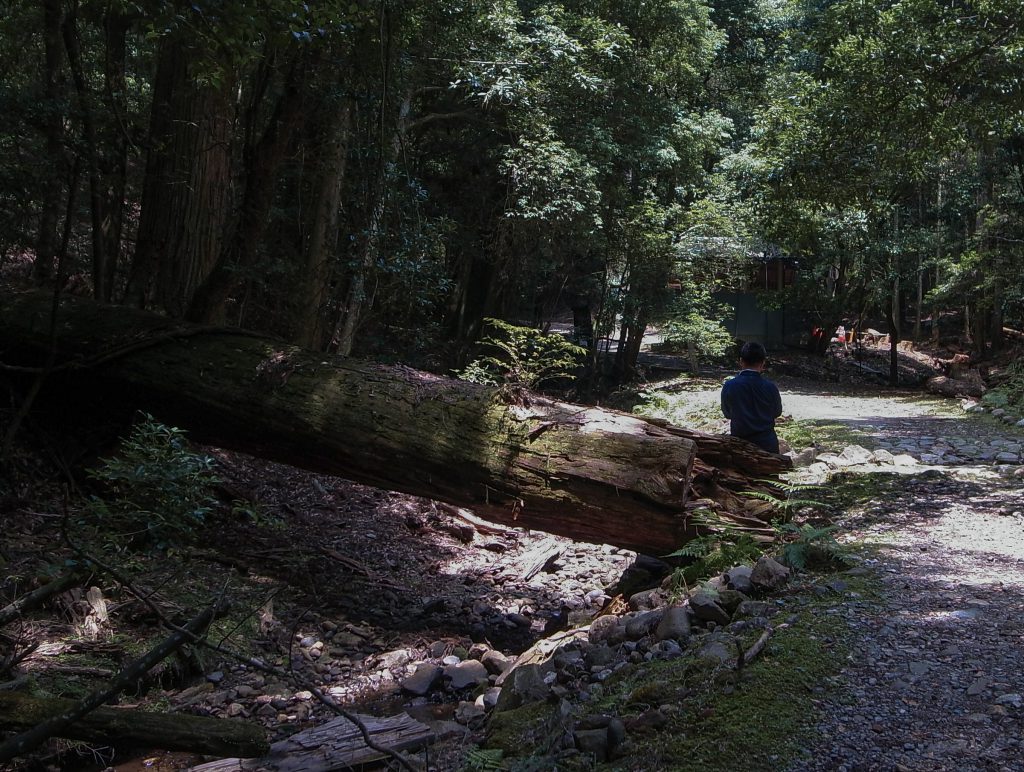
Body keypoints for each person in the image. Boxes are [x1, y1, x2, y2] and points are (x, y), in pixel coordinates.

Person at [721, 341, 783, 454]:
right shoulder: (770, 387)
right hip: (767, 444)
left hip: (739, 445)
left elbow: (727, 413)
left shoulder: (730, 385)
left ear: (741, 361)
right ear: (763, 363)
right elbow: (777, 412)